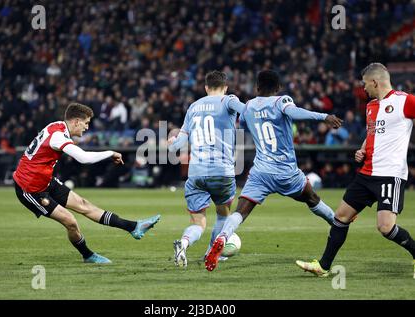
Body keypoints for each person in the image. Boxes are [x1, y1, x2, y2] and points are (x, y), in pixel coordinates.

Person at [205, 70, 343, 271]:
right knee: (312, 199)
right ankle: (338, 224)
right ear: (278, 88)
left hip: (261, 172)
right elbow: (294, 112)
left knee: (240, 211)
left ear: (257, 88)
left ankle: (222, 238)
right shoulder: (282, 101)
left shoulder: (249, 106)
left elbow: (242, 123)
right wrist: (323, 117)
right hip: (286, 171)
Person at [296, 63, 415, 277]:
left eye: (364, 84)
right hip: (367, 174)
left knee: (385, 227)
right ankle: (323, 266)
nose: (363, 88)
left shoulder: (405, 101)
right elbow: (371, 134)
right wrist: (362, 150)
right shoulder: (370, 106)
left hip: (390, 174)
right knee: (341, 216)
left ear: (375, 82)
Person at [13, 102, 160, 264]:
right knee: (70, 221)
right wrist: (111, 152)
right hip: (29, 188)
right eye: (86, 123)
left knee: (84, 205)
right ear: (76, 121)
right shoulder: (58, 136)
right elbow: (84, 158)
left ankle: (134, 227)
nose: (87, 127)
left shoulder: (57, 126)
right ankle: (88, 255)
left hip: (45, 180)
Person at [168, 70, 246, 267]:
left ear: (205, 88)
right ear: (225, 87)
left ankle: (184, 243)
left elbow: (177, 145)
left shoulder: (193, 107)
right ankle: (212, 252)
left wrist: (171, 142)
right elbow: (246, 111)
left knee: (198, 223)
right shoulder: (228, 101)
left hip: (196, 173)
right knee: (223, 215)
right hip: (222, 171)